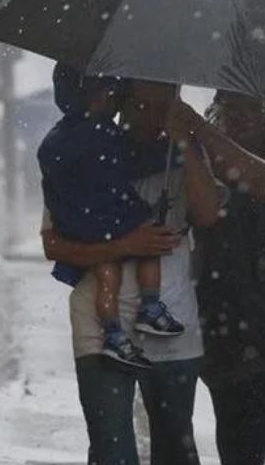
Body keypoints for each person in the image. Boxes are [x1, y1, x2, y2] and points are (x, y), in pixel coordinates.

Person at [41, 80, 221, 465]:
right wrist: (122, 246)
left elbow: (207, 214)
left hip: (171, 324)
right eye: (144, 106)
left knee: (176, 448)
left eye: (164, 106)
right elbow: (53, 245)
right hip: (101, 326)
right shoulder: (82, 152)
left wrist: (187, 144)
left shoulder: (184, 153)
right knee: (112, 450)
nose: (154, 117)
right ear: (123, 102)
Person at [167, 91, 265, 465]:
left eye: (250, 106)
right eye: (230, 106)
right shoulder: (201, 149)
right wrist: (189, 141)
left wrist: (202, 132)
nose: (240, 116)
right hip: (227, 320)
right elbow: (202, 213)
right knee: (239, 442)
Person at [38, 64, 185, 369]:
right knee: (150, 240)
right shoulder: (107, 137)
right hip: (114, 216)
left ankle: (114, 335)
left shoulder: (55, 140)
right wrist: (177, 149)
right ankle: (151, 306)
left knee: (107, 276)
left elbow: (51, 181)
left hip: (80, 222)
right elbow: (136, 160)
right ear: (103, 97)